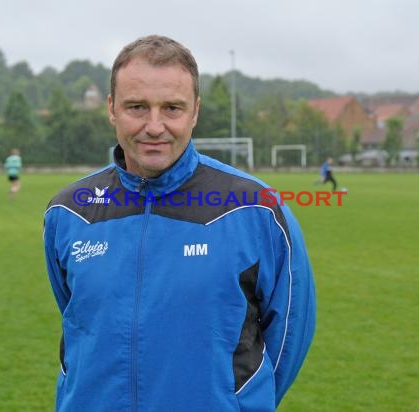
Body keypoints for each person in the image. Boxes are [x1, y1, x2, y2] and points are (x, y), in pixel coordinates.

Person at [43, 35, 316, 412]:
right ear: (111, 108)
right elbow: (76, 318)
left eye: (172, 108)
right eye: (137, 107)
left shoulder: (256, 210)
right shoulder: (69, 211)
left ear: (195, 111)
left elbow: (290, 334)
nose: (154, 126)